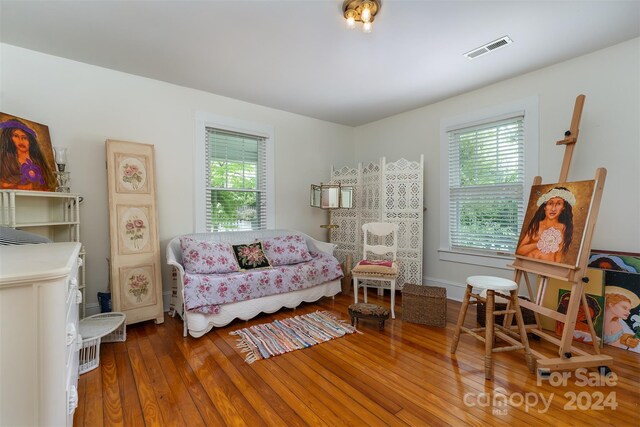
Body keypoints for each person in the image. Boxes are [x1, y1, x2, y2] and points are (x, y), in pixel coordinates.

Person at [516, 186, 575, 263]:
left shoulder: (563, 228)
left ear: (563, 207)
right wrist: (539, 243)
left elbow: (558, 256)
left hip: (549, 270)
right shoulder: (536, 226)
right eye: (550, 203)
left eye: (559, 204)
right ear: (544, 207)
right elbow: (519, 251)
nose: (553, 209)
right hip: (530, 264)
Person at [0, 118, 56, 191]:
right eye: (16, 136)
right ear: (9, 139)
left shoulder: (39, 163)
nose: (21, 140)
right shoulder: (5, 164)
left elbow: (48, 185)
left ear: (30, 141)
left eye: (24, 137)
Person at [603, 286, 640, 353]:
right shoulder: (597, 317)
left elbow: (615, 350)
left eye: (629, 310)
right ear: (611, 304)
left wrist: (626, 339)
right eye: (624, 308)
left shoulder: (618, 325)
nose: (629, 312)